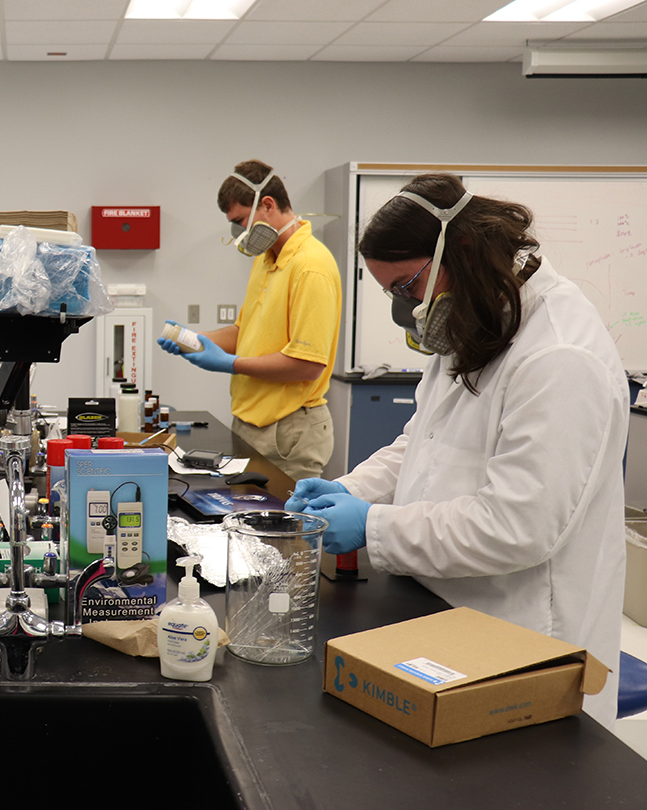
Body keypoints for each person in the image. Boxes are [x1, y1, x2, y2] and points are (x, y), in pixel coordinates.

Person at [287, 173, 628, 728]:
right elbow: (420, 440)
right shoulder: (478, 316)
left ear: (460, 251)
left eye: (407, 286)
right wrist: (349, 491)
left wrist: (373, 527)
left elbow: (517, 526)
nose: (407, 309)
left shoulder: (560, 357)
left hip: (523, 639)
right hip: (443, 606)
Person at [157, 160, 341, 482]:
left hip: (288, 430)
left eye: (240, 220)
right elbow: (245, 331)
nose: (239, 232)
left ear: (267, 205)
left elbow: (308, 364)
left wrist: (231, 364)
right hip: (251, 423)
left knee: (280, 528)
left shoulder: (310, 265)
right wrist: (197, 341)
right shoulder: (266, 258)